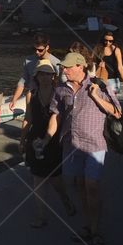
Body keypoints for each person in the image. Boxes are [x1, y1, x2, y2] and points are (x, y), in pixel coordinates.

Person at [39, 51, 121, 245]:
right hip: (71, 146)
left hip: (95, 145)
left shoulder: (100, 86)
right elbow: (56, 116)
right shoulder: (61, 90)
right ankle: (88, 226)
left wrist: (95, 96)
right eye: (63, 67)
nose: (64, 70)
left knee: (91, 186)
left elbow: (118, 112)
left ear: (80, 66)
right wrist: (47, 139)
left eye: (68, 67)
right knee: (80, 188)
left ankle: (96, 231)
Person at [25, 60, 76, 227]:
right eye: (42, 73)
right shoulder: (31, 94)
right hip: (35, 139)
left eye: (49, 73)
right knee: (37, 178)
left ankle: (65, 199)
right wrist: (21, 139)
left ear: (54, 76)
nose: (46, 77)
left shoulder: (59, 93)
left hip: (54, 140)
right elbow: (28, 118)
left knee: (55, 179)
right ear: (37, 76)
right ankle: (41, 216)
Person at [10, 34, 60, 148]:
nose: (37, 52)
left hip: (50, 98)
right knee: (30, 118)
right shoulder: (28, 61)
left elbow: (61, 84)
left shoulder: (56, 63)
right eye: (34, 49)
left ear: (47, 47)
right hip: (33, 95)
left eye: (40, 50)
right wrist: (14, 99)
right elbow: (23, 81)